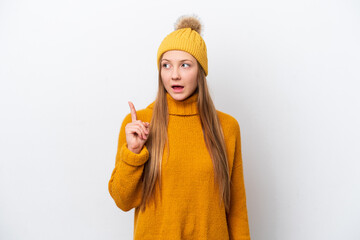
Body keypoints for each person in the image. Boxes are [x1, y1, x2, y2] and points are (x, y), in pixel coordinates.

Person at [108, 15, 251, 240]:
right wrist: (133, 153)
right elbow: (122, 201)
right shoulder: (138, 124)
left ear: (200, 72)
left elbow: (236, 209)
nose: (174, 74)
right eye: (167, 65)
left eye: (185, 65)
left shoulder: (227, 127)